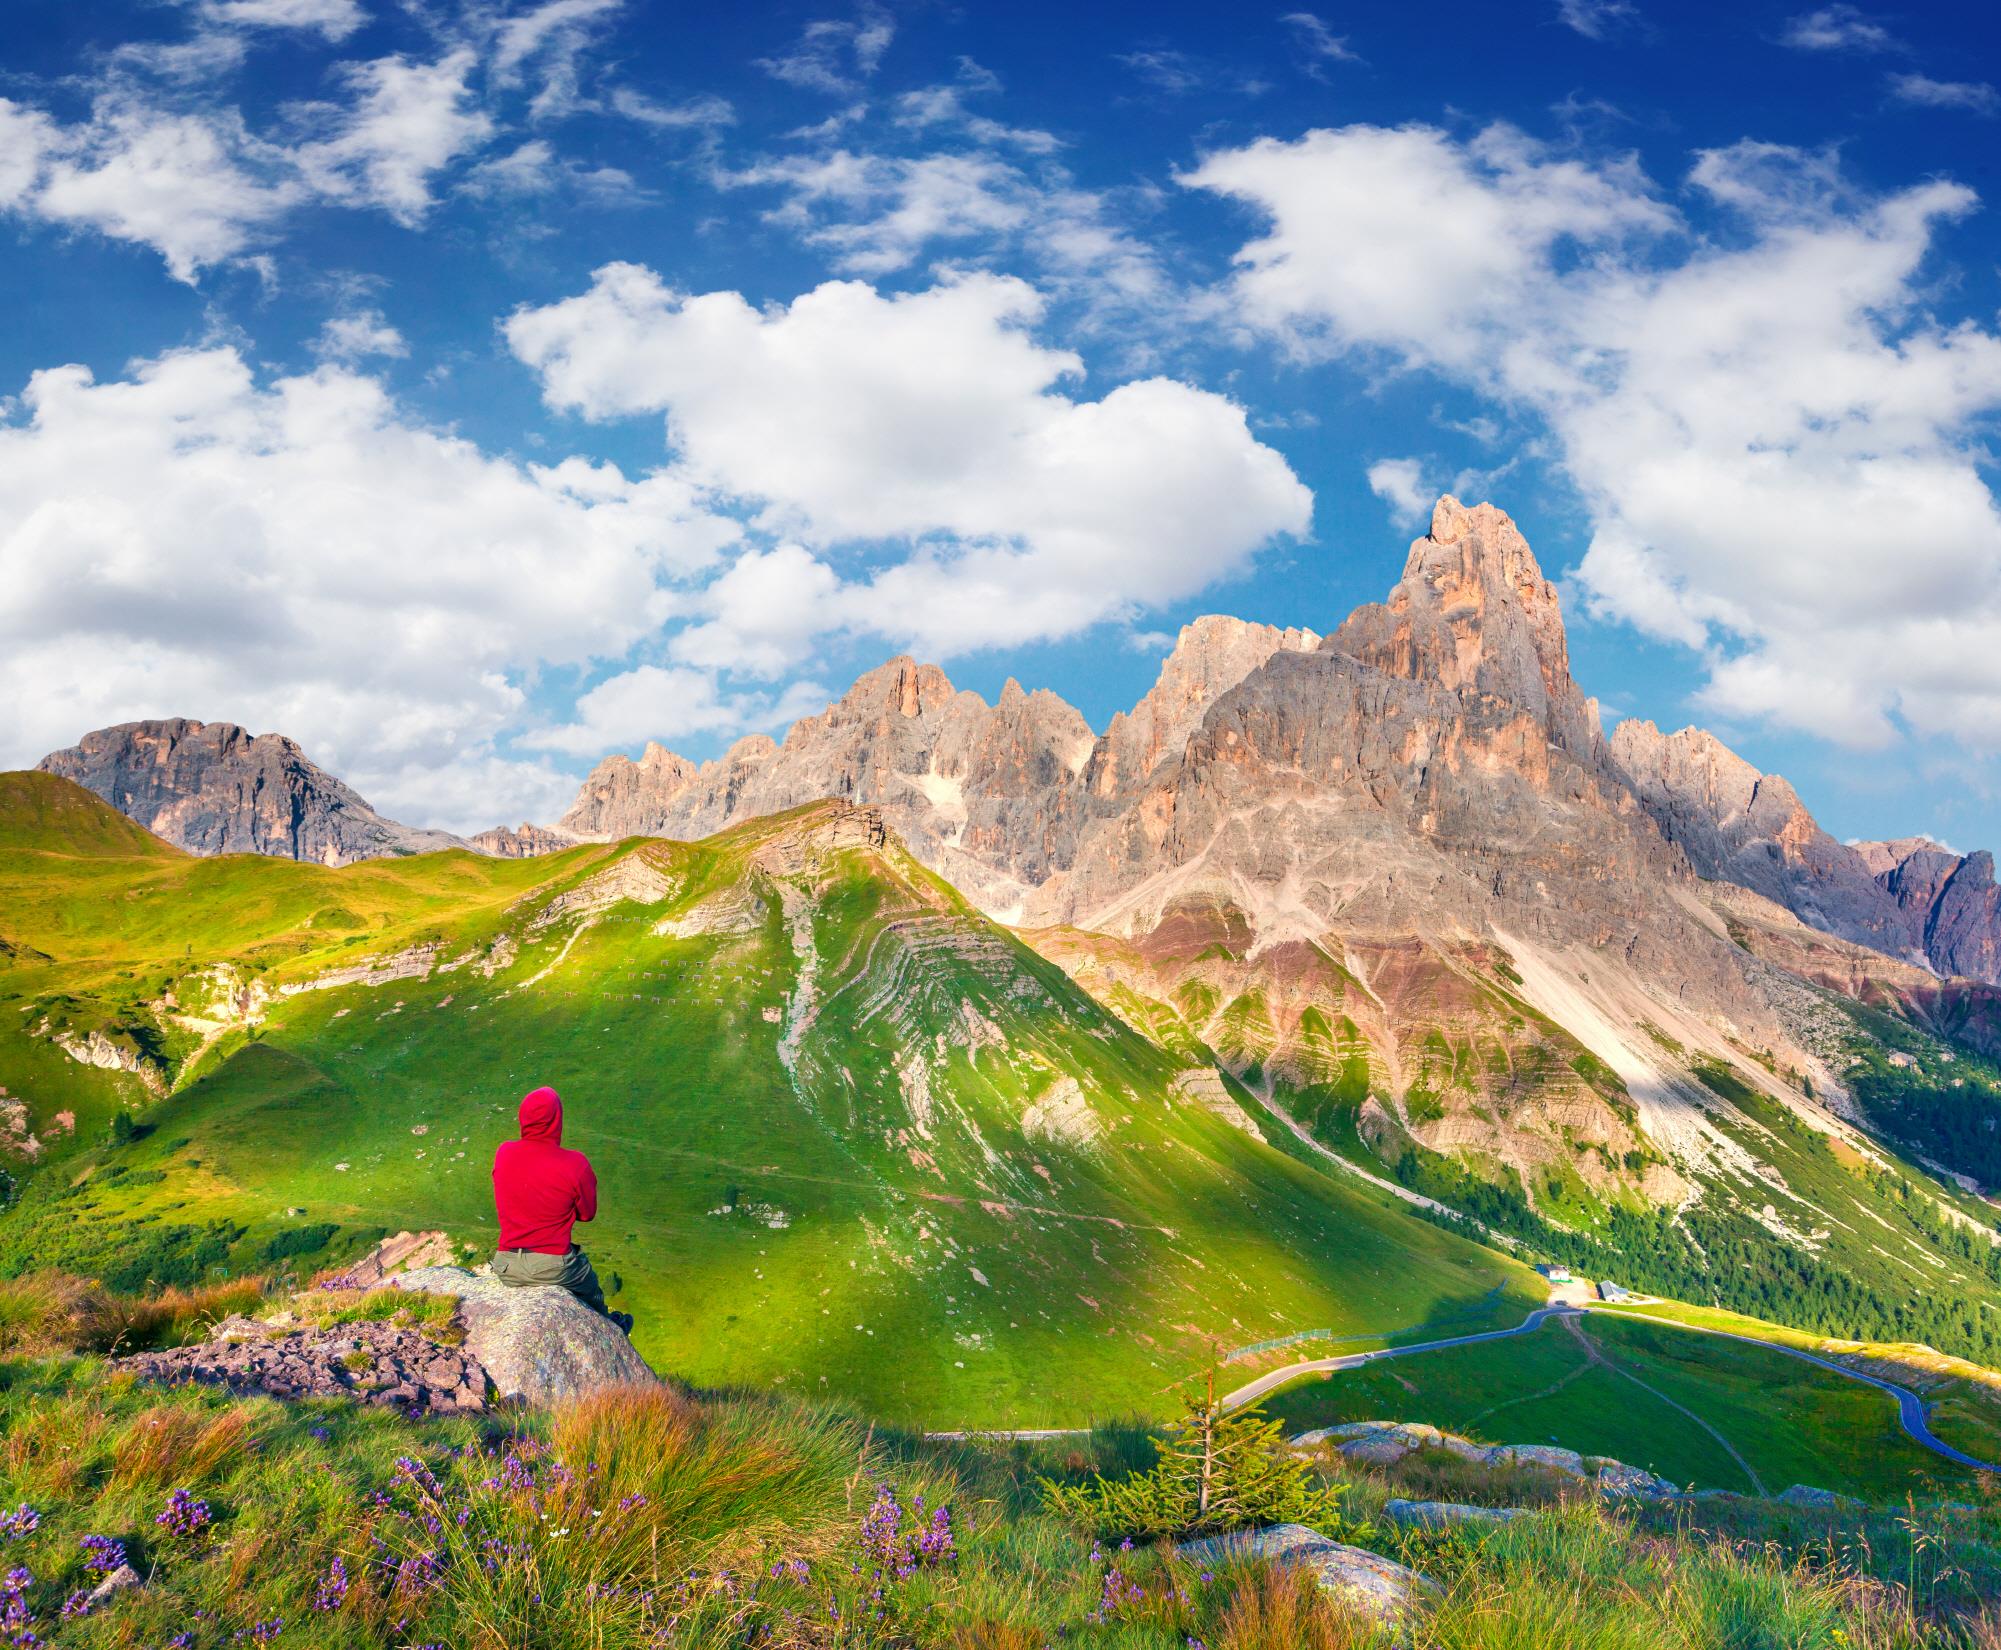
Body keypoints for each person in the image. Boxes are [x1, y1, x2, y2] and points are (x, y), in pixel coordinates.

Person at [491, 1085, 632, 1332]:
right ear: (557, 1120)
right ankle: (609, 1330)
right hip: (553, 1267)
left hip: (506, 1266)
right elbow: (587, 1214)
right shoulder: (574, 1163)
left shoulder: (504, 1153)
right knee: (589, 1283)